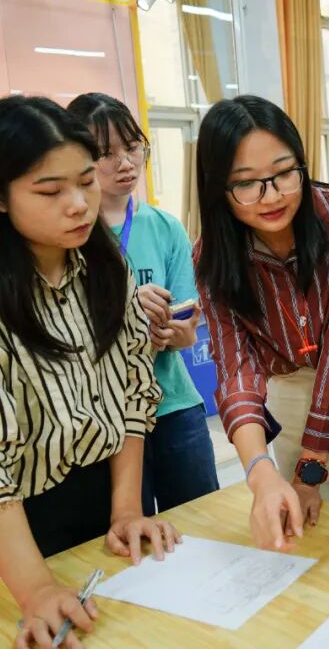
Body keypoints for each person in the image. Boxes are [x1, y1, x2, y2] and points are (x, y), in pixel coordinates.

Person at [0, 96, 178, 649]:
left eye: (86, 181)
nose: (78, 205)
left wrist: (126, 510)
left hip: (95, 499)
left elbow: (132, 392)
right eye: (50, 191)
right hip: (0, 531)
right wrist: (34, 590)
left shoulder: (104, 269)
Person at [195, 95, 329, 553]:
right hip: (290, 385)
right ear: (218, 188)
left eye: (284, 173)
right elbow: (236, 370)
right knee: (312, 524)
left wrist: (310, 466)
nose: (272, 196)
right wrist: (259, 471)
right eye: (247, 183)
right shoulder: (211, 258)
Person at [67, 93, 219, 515]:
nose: (125, 163)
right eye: (106, 153)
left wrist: (172, 330)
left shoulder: (166, 227)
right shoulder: (70, 235)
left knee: (202, 523)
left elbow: (186, 331)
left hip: (174, 405)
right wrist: (128, 311)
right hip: (103, 415)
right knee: (130, 532)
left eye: (133, 148)